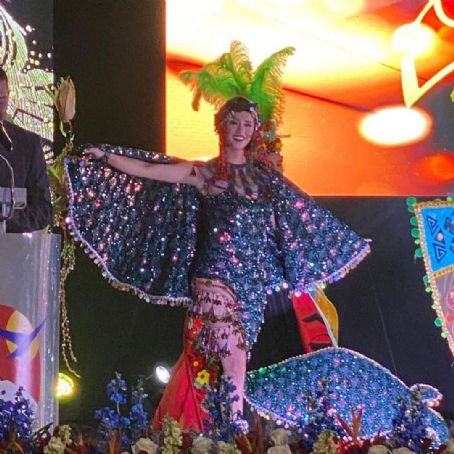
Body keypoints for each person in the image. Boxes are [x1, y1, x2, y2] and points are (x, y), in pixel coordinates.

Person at [71, 96, 370, 433]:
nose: (240, 130)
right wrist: (107, 157)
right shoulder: (206, 174)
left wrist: (342, 245)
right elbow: (151, 170)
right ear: (220, 125)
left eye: (247, 124)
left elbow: (301, 216)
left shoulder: (266, 179)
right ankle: (231, 432)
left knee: (211, 364)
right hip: (214, 279)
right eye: (233, 122)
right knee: (233, 358)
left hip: (252, 288)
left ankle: (196, 432)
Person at [0, 67, 52, 233]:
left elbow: (43, 211)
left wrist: (6, 217)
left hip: (12, 253)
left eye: (2, 99)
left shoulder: (27, 144)